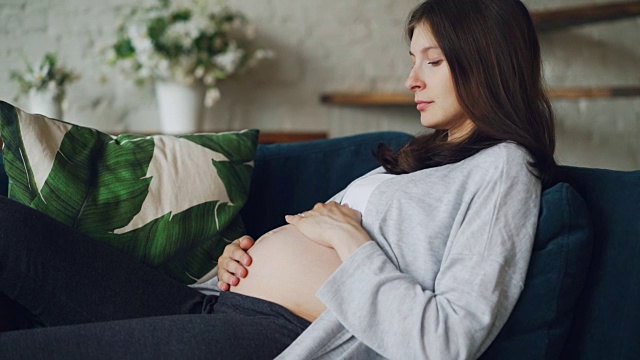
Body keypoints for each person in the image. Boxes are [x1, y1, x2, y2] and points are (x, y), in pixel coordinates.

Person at [0, 0, 556, 358]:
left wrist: (348, 241)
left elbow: (447, 342)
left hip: (272, 336)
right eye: (413, 59)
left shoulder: (505, 169)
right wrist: (235, 265)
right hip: (209, 304)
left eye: (432, 62)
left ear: (485, 62)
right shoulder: (430, 157)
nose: (411, 79)